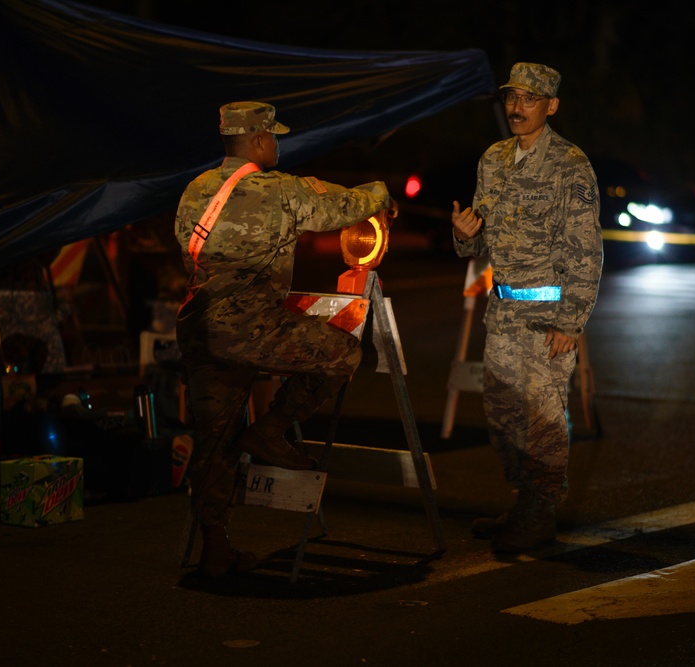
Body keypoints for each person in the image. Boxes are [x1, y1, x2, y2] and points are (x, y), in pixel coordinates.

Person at [174, 101, 396, 576]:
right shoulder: (277, 190)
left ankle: (215, 548)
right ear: (257, 141)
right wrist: (380, 192)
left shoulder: (197, 189)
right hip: (252, 326)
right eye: (273, 136)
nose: (277, 144)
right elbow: (344, 207)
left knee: (213, 441)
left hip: (199, 329)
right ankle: (271, 430)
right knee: (343, 354)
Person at [451, 63, 603, 553]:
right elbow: (479, 243)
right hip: (503, 314)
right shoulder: (493, 159)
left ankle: (541, 514)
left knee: (543, 423)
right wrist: (463, 236)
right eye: (512, 97)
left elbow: (586, 250)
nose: (517, 108)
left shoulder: (570, 165)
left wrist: (571, 322)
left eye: (529, 99)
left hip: (546, 318)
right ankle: (523, 503)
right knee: (503, 420)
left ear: (551, 106)